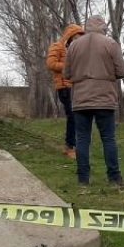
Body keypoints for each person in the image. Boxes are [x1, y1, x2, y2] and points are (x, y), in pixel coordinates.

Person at [64, 15, 124, 186]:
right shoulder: (110, 44)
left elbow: (67, 74)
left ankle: (83, 178)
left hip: (80, 99)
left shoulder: (74, 46)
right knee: (108, 138)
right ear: (103, 27)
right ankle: (114, 177)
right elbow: (121, 71)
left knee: (82, 138)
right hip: (104, 97)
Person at [45, 24, 85, 159]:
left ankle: (75, 146)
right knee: (72, 117)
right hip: (64, 87)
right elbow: (50, 64)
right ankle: (70, 147)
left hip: (78, 86)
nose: (79, 40)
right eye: (77, 37)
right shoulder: (57, 46)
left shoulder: (78, 50)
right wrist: (69, 66)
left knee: (79, 117)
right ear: (71, 36)